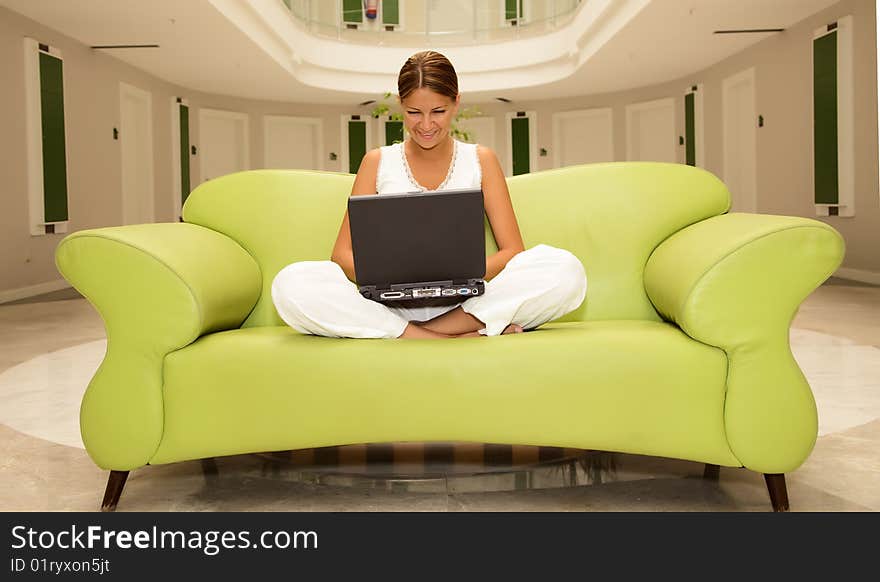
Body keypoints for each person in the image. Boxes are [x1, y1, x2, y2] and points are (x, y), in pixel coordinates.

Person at [271, 51, 586, 339]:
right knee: (291, 283)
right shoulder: (377, 162)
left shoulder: (482, 160)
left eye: (438, 111)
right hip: (390, 304)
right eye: (413, 112)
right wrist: (392, 278)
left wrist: (455, 276)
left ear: (456, 102)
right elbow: (341, 256)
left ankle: (423, 333)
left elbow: (512, 251)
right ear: (400, 105)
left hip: (467, 304)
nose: (425, 125)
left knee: (565, 269)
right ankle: (442, 337)